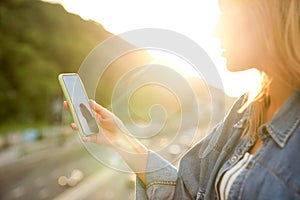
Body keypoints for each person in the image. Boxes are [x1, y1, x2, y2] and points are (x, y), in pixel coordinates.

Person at [64, 0, 300, 199]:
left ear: (266, 15)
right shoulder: (245, 110)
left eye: (226, 13)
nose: (216, 31)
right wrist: (121, 139)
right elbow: (186, 193)